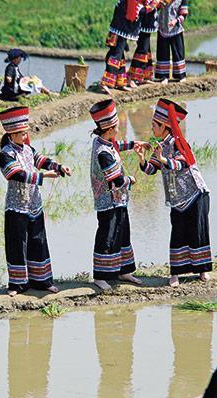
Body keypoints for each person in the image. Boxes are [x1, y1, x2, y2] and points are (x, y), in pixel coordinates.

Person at [0, 106, 71, 296]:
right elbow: (15, 174)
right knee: (17, 244)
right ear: (12, 134)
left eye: (26, 132)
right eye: (22, 133)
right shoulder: (5, 154)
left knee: (38, 241)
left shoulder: (28, 149)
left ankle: (42, 282)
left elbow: (42, 160)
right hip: (17, 206)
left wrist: (59, 167)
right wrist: (44, 176)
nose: (26, 135)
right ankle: (17, 285)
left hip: (34, 203)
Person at [135, 98, 211, 286]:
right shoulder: (160, 145)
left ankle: (202, 271)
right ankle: (175, 274)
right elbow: (151, 170)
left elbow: (181, 163)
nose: (152, 128)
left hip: (195, 195)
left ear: (165, 127)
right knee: (177, 234)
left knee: (198, 233)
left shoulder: (179, 144)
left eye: (154, 125)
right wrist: (142, 158)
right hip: (177, 200)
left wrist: (163, 159)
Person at [89, 99, 149, 291]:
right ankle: (100, 276)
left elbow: (118, 145)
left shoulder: (106, 141)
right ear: (109, 129)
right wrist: (130, 179)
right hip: (107, 201)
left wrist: (134, 144)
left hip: (119, 200)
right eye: (117, 127)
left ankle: (123, 271)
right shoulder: (102, 152)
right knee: (107, 237)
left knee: (123, 234)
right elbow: (116, 180)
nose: (119, 130)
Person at [100, 0, 144, 94]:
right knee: (116, 55)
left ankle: (120, 82)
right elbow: (131, 15)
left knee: (120, 55)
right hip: (120, 28)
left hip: (120, 27)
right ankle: (106, 83)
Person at [155, 0, 189, 83]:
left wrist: (175, 21)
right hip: (163, 27)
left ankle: (180, 76)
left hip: (176, 29)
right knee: (162, 53)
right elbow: (155, 8)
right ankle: (164, 77)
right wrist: (157, 5)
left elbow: (183, 15)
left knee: (178, 52)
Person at [127, 1, 160, 85]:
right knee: (142, 49)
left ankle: (145, 75)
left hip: (148, 22)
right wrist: (152, 5)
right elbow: (138, 6)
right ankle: (132, 77)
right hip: (140, 22)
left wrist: (157, 4)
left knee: (147, 49)